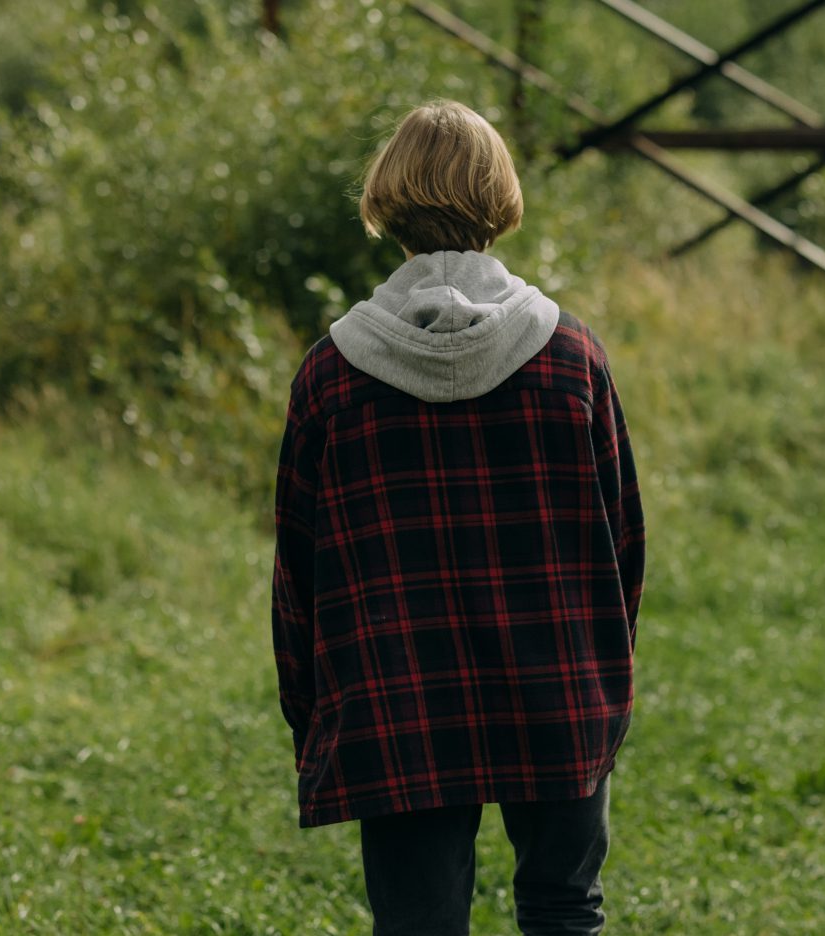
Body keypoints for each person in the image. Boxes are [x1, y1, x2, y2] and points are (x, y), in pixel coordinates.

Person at [271, 98, 646, 936]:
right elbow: (623, 546)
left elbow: (299, 570)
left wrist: (319, 712)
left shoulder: (332, 376)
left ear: (385, 201)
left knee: (418, 926)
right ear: (500, 198)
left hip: (398, 697)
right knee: (563, 910)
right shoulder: (573, 357)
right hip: (558, 690)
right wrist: (602, 682)